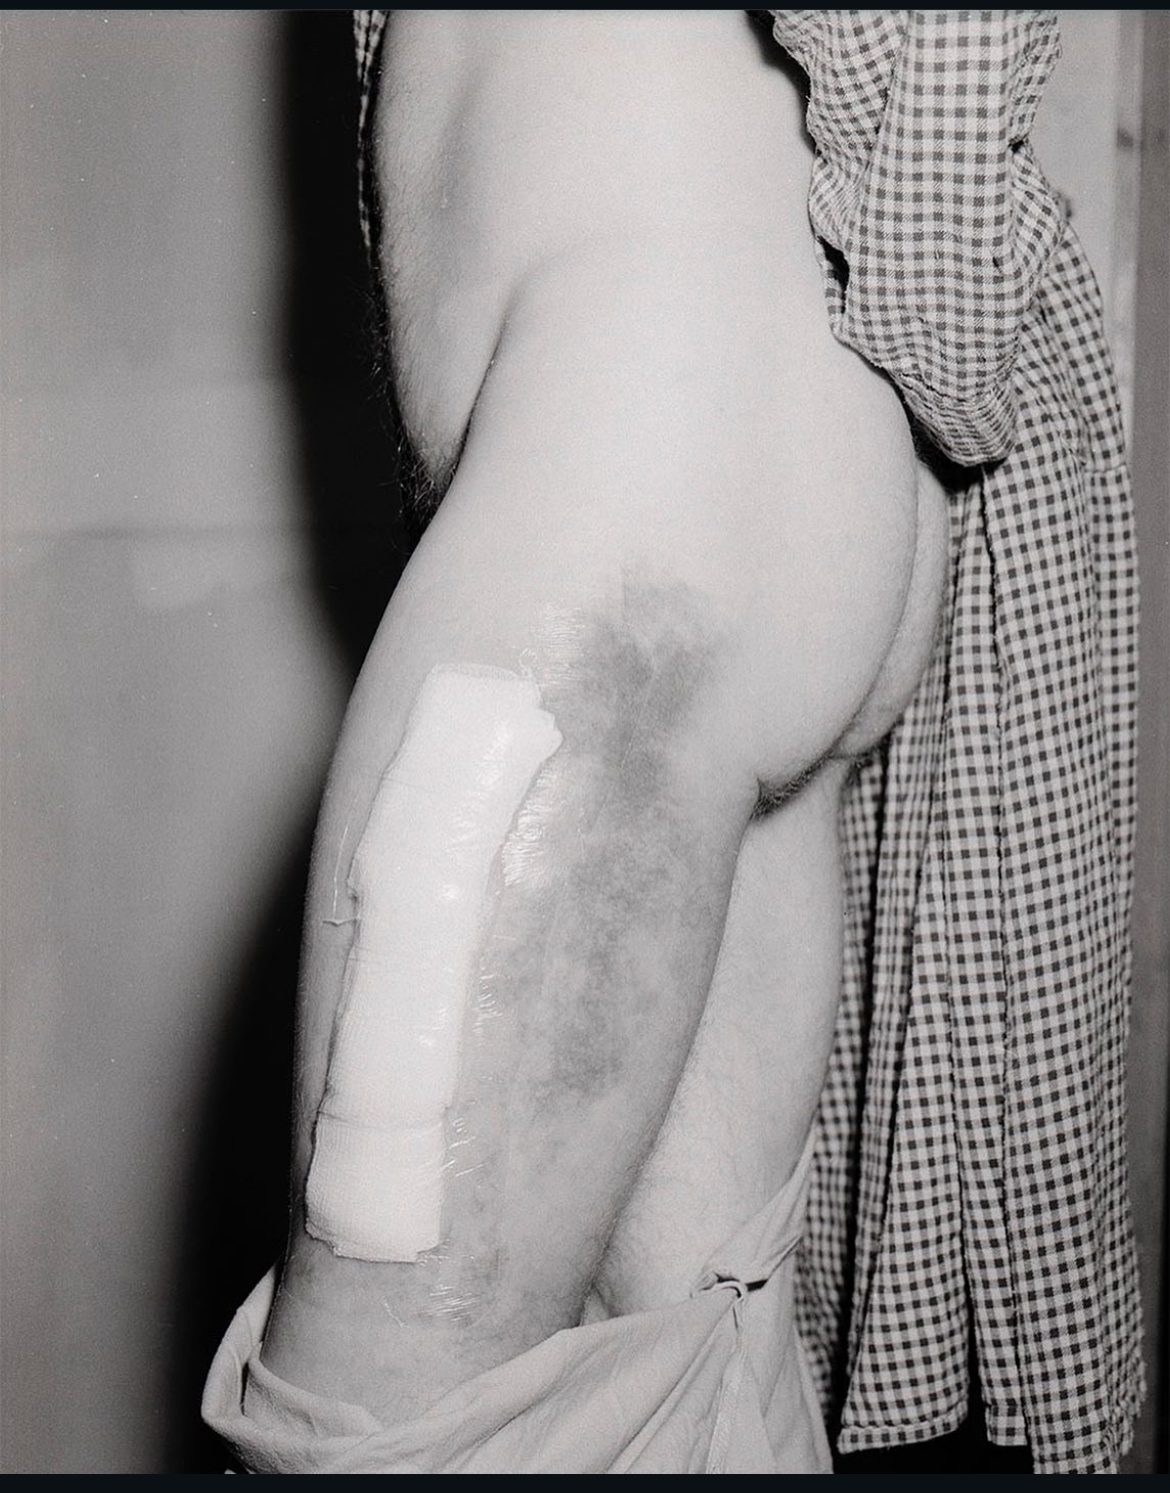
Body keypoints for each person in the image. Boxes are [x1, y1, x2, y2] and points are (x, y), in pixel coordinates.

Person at [203, 11, 1144, 1474]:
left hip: (631, 514)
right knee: (696, 1396)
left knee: (381, 1419)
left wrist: (942, 315)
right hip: (688, 471)